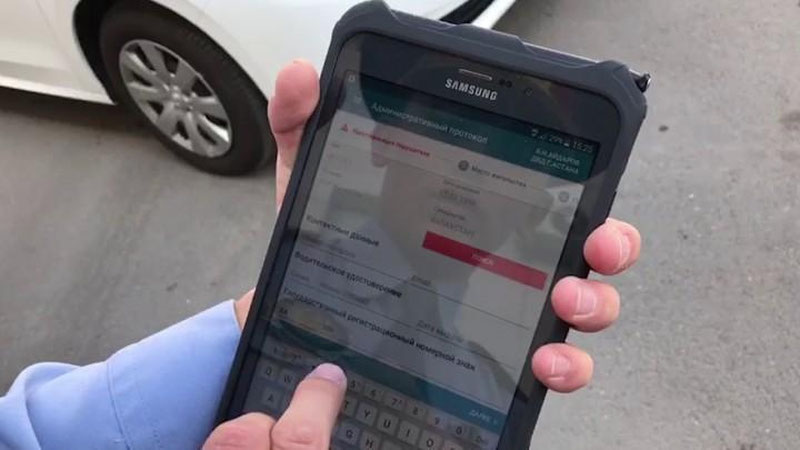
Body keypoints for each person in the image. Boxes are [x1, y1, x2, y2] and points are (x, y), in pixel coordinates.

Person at [0, 61, 641, 450]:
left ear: (533, 210)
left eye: (506, 165)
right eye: (453, 150)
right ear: (383, 145)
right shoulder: (299, 297)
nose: (465, 186)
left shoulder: (487, 383)